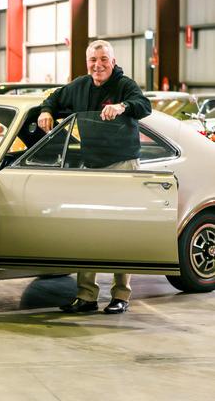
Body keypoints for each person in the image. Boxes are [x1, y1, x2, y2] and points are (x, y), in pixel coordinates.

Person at [37, 39, 151, 315]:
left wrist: (122, 106)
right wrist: (46, 110)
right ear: (87, 63)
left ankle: (121, 295)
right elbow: (54, 97)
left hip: (123, 165)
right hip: (92, 166)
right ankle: (86, 296)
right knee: (87, 231)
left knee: (121, 232)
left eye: (103, 59)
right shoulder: (79, 86)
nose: (98, 65)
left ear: (112, 61)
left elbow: (144, 105)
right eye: (92, 60)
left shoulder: (125, 85)